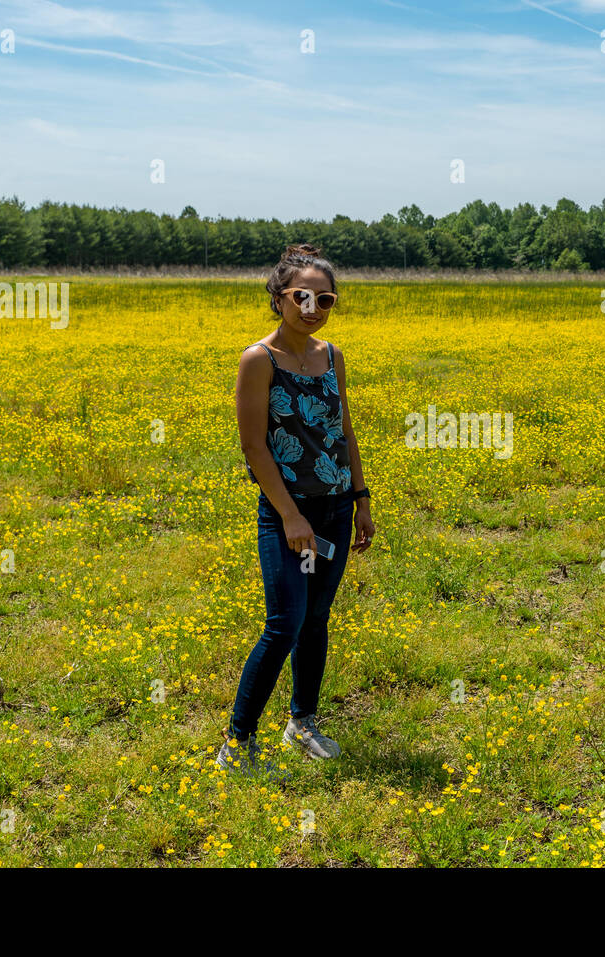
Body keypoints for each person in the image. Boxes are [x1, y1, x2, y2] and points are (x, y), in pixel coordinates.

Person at [216, 243, 375, 778]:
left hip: (333, 510)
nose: (313, 307)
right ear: (278, 297)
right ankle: (237, 744)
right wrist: (289, 516)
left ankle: (301, 722)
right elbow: (254, 447)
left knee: (317, 621)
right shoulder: (258, 360)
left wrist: (360, 500)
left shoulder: (332, 357)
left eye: (324, 299)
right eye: (301, 296)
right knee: (284, 625)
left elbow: (343, 431)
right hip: (289, 514)